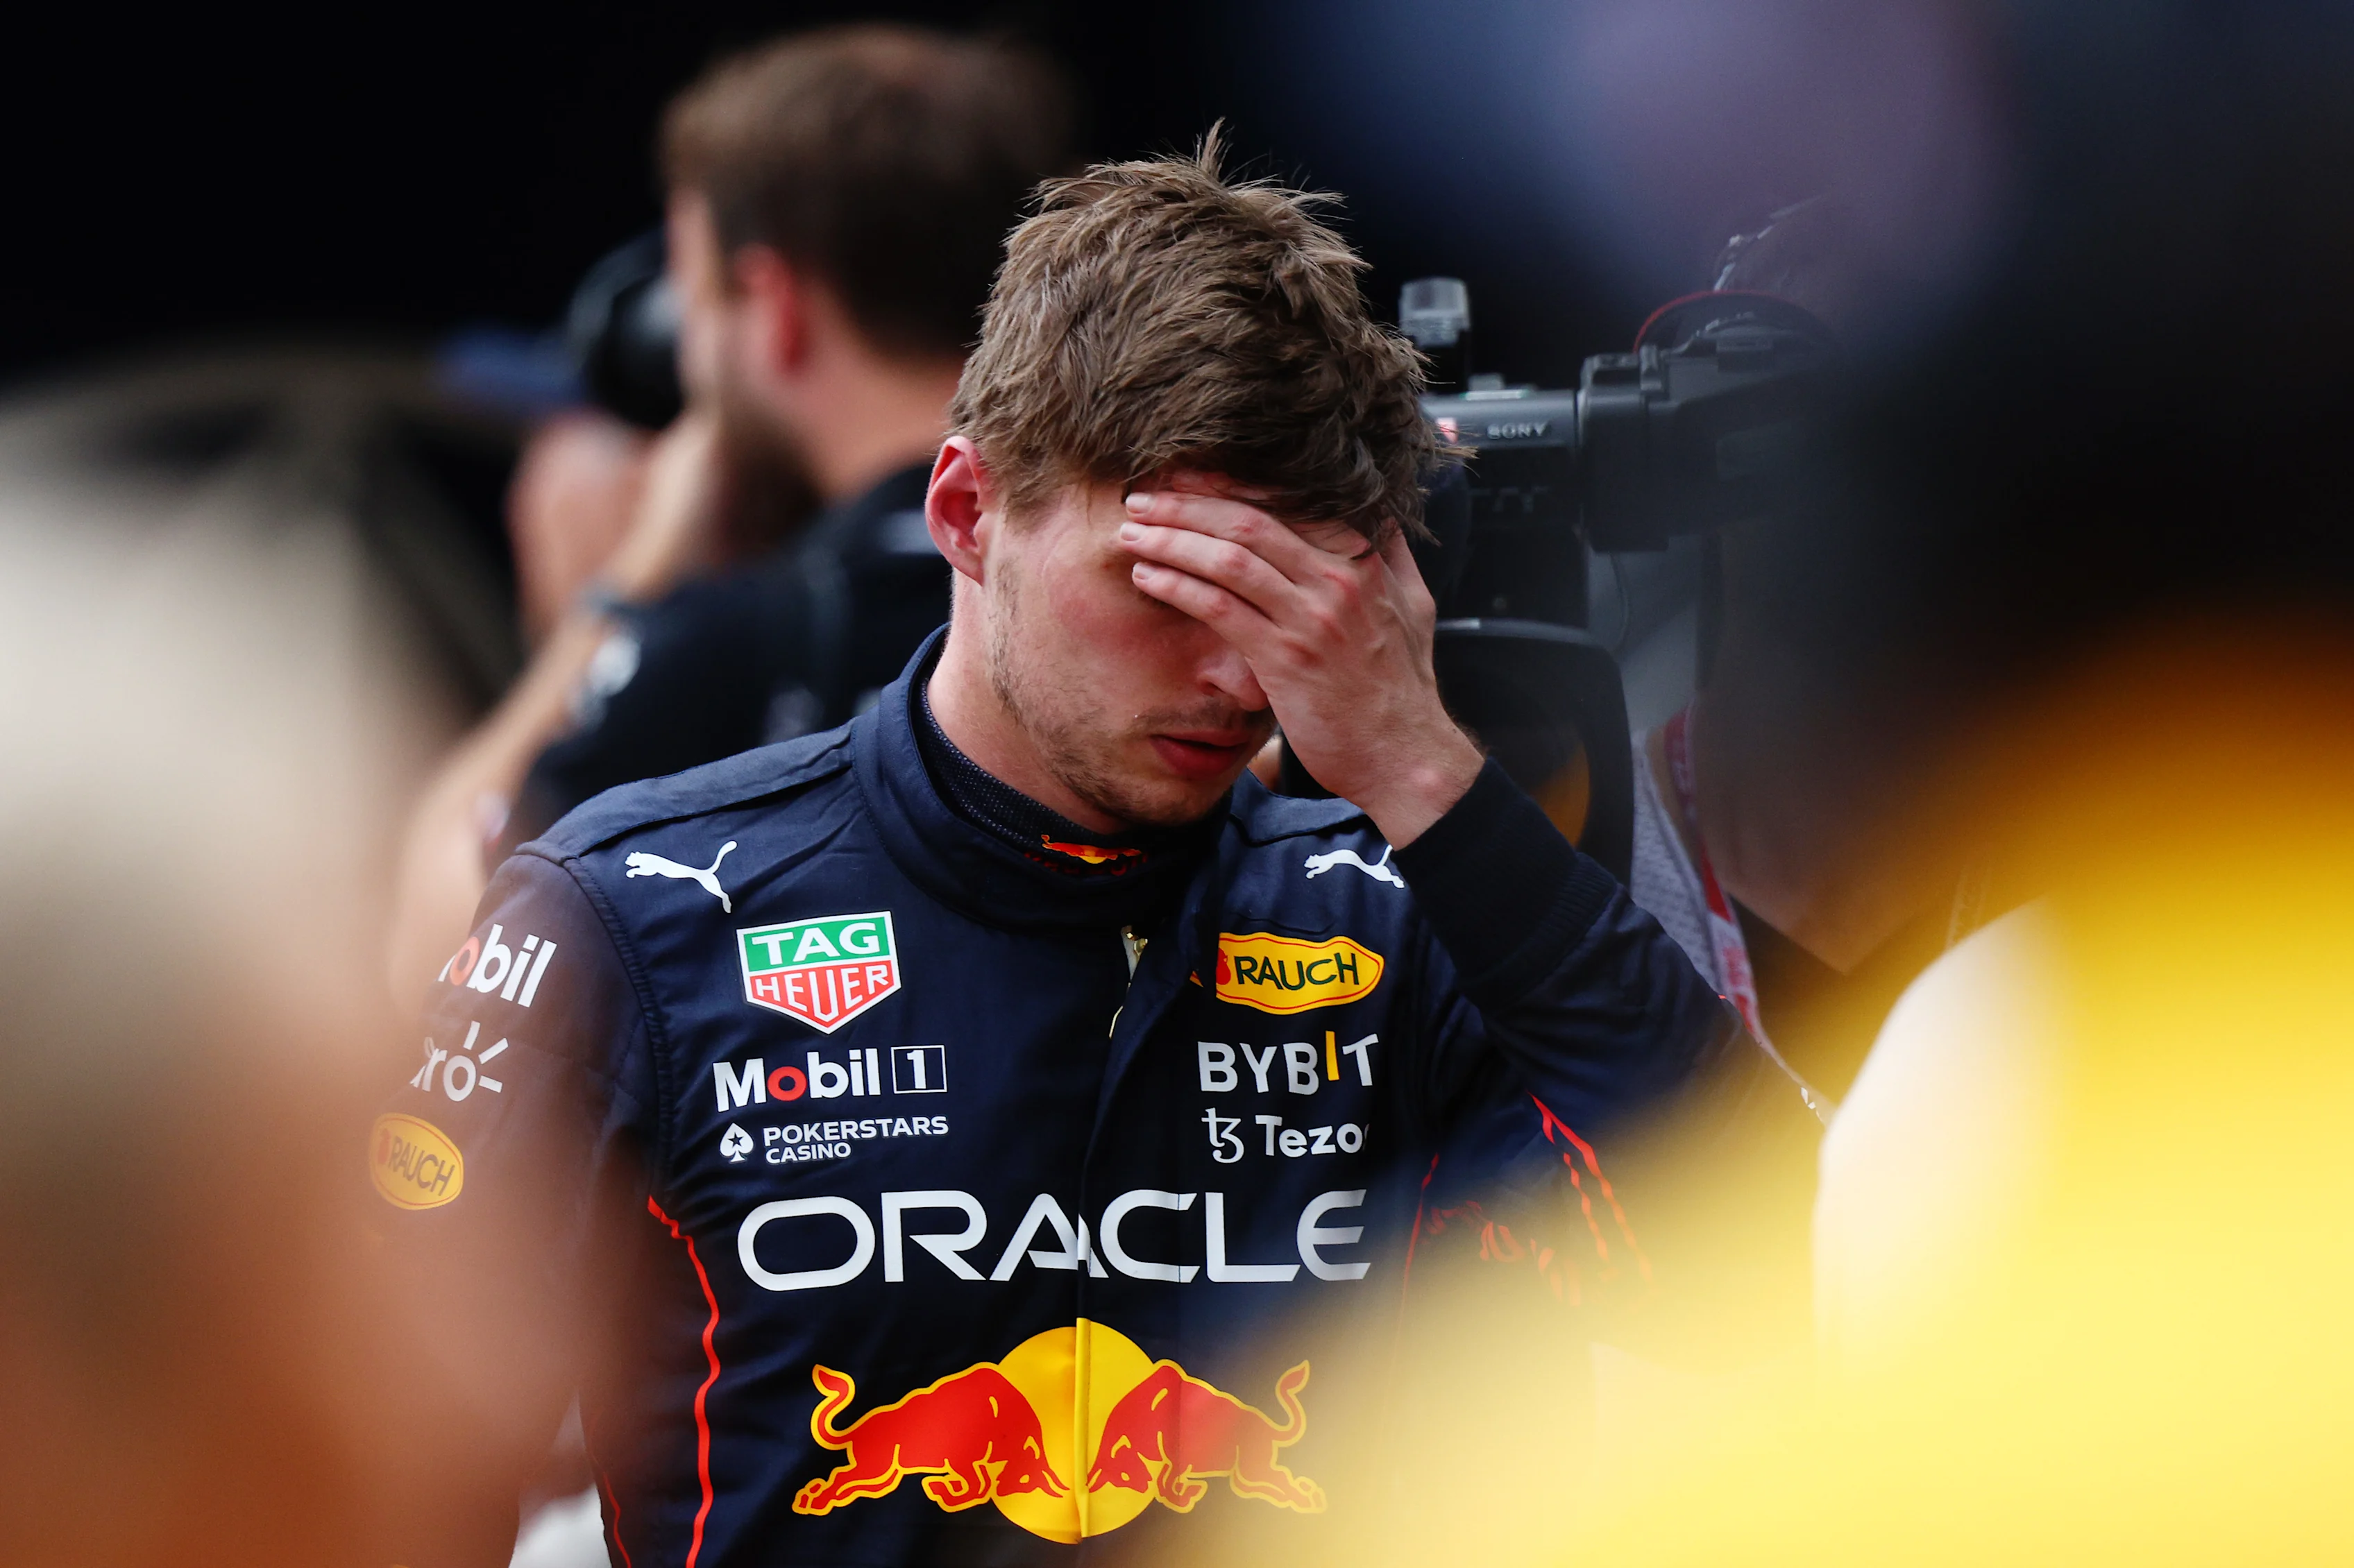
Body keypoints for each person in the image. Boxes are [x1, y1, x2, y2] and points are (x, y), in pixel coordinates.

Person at [369, 139, 1751, 1565]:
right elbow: (372, 1463)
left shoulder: (1408, 915)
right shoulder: (632, 912)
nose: (1234, 676)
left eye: (1288, 605)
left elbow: (1749, 1283)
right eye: (1166, 590)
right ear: (968, 513)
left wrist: (1421, 768)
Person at [386, 26, 1074, 998]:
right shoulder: (1137, 558)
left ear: (776, 305)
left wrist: (617, 601)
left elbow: (437, 959)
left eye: (694, 299)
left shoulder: (739, 642)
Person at [1623, 196, 1982, 1118]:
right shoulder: (1551, 843)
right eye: (1758, 426)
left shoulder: (2117, 852)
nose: (1829, 498)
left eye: (1888, 441)